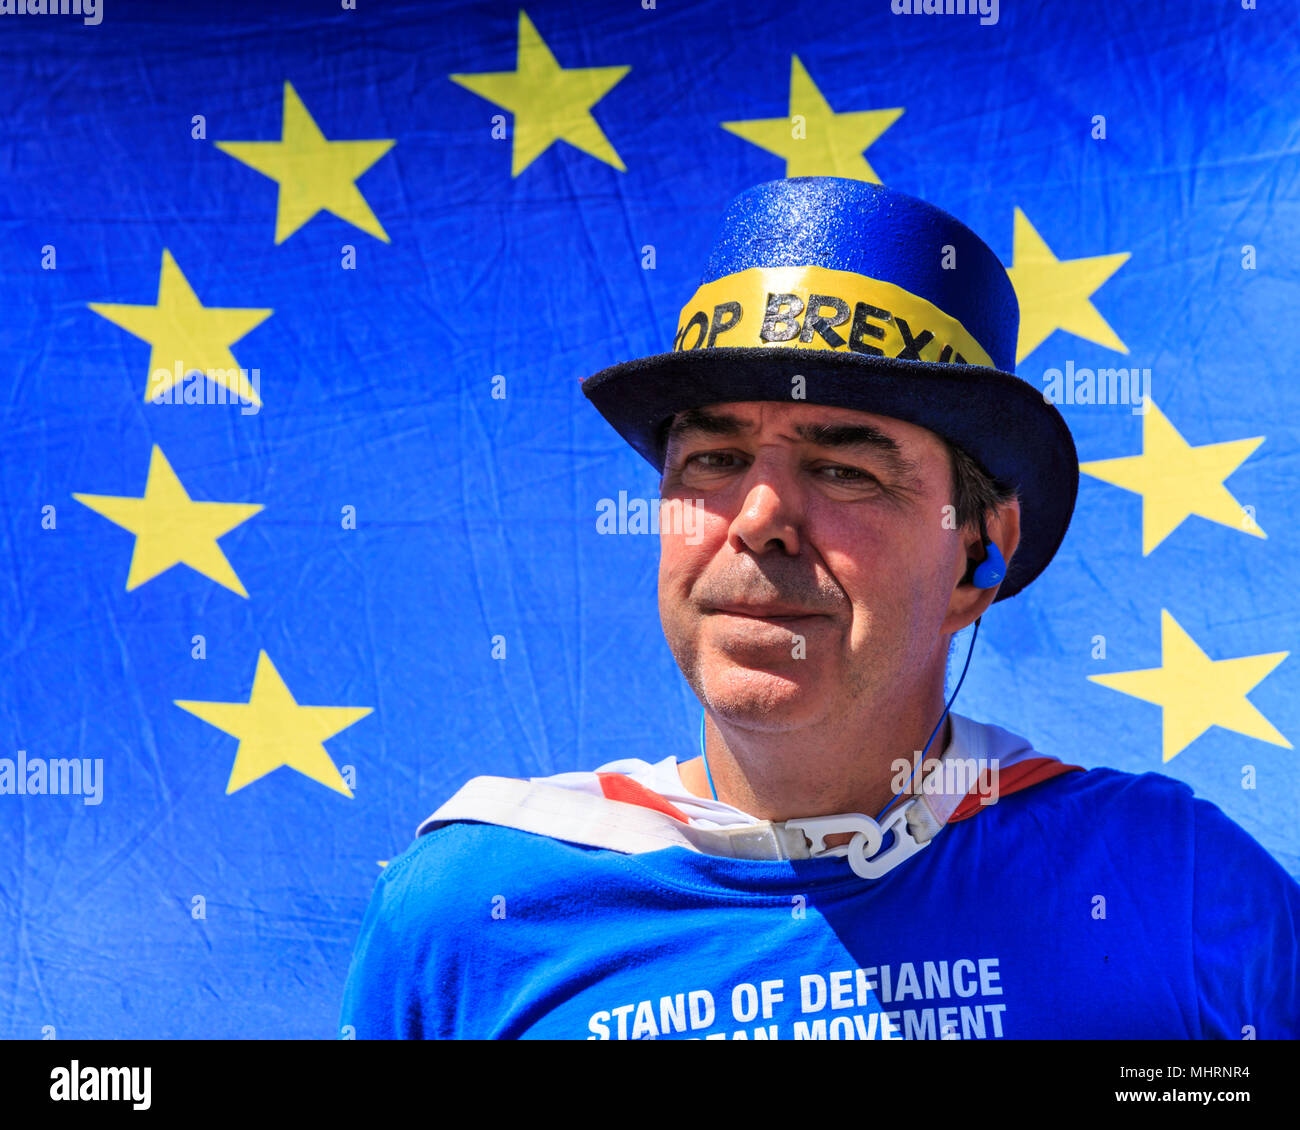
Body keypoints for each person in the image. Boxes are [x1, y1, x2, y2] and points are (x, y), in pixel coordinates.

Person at [339, 177, 1300, 1040]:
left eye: (843, 468)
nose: (759, 521)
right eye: (713, 460)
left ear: (977, 552)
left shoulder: (1171, 888)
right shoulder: (468, 916)